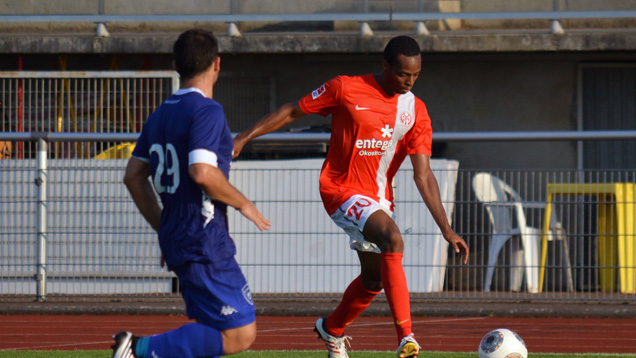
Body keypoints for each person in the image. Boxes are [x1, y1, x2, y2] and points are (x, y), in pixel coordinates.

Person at [233, 35, 469, 358]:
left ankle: (332, 329)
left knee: (373, 279)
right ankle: (406, 337)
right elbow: (292, 111)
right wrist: (244, 137)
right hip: (340, 190)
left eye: (415, 76)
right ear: (385, 65)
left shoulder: (415, 110)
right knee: (393, 239)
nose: (409, 82)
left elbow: (423, 174)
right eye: (402, 74)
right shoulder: (344, 88)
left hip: (379, 199)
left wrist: (446, 228)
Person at [113, 29, 271, 358]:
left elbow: (133, 177)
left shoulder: (159, 115)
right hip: (204, 241)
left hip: (181, 237)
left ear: (175, 65)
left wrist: (166, 227)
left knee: (211, 327)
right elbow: (202, 172)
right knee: (240, 332)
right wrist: (245, 203)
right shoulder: (207, 111)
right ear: (217, 64)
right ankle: (137, 349)